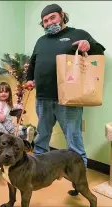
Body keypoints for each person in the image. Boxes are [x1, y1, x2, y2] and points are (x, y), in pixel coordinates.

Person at [26, 4, 105, 169]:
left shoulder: (78, 34)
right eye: (45, 21)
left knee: (74, 140)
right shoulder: (40, 41)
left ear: (62, 15)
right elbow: (33, 63)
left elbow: (99, 52)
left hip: (69, 99)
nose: (48, 23)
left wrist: (89, 46)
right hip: (42, 98)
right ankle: (38, 172)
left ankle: (79, 180)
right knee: (41, 139)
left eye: (52, 18)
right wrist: (29, 79)